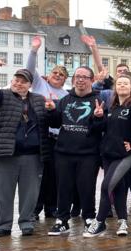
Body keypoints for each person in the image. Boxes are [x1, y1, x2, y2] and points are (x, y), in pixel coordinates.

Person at [0, 59, 49, 237]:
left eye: (23, 81)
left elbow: (47, 122)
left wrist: (51, 110)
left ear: (29, 85)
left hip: (33, 156)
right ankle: (3, 225)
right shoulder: (2, 96)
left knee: (30, 193)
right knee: (3, 193)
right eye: (16, 80)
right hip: (5, 154)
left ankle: (26, 222)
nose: (18, 83)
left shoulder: (38, 99)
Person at [83, 74, 131, 237]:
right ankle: (123, 222)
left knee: (106, 187)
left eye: (126, 83)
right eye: (119, 83)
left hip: (124, 155)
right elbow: (99, 129)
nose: (122, 86)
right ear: (115, 88)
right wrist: (97, 117)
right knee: (118, 188)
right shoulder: (111, 106)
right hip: (108, 154)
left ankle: (99, 222)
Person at [46, 66, 104, 236]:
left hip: (88, 153)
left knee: (86, 186)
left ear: (91, 80)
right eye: (77, 76)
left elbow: (100, 128)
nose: (80, 80)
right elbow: (55, 123)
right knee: (63, 187)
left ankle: (88, 218)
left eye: (84, 77)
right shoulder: (65, 100)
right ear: (73, 80)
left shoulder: (98, 100)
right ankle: (62, 220)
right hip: (63, 152)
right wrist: (51, 111)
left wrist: (98, 117)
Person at [28, 35, 70, 220]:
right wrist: (34, 50)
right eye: (55, 73)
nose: (57, 76)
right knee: (39, 175)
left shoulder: (66, 95)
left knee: (54, 175)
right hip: (39, 136)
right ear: (49, 74)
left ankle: (51, 207)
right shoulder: (39, 83)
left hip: (57, 139)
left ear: (64, 80)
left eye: (61, 75)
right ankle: (34, 209)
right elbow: (29, 70)